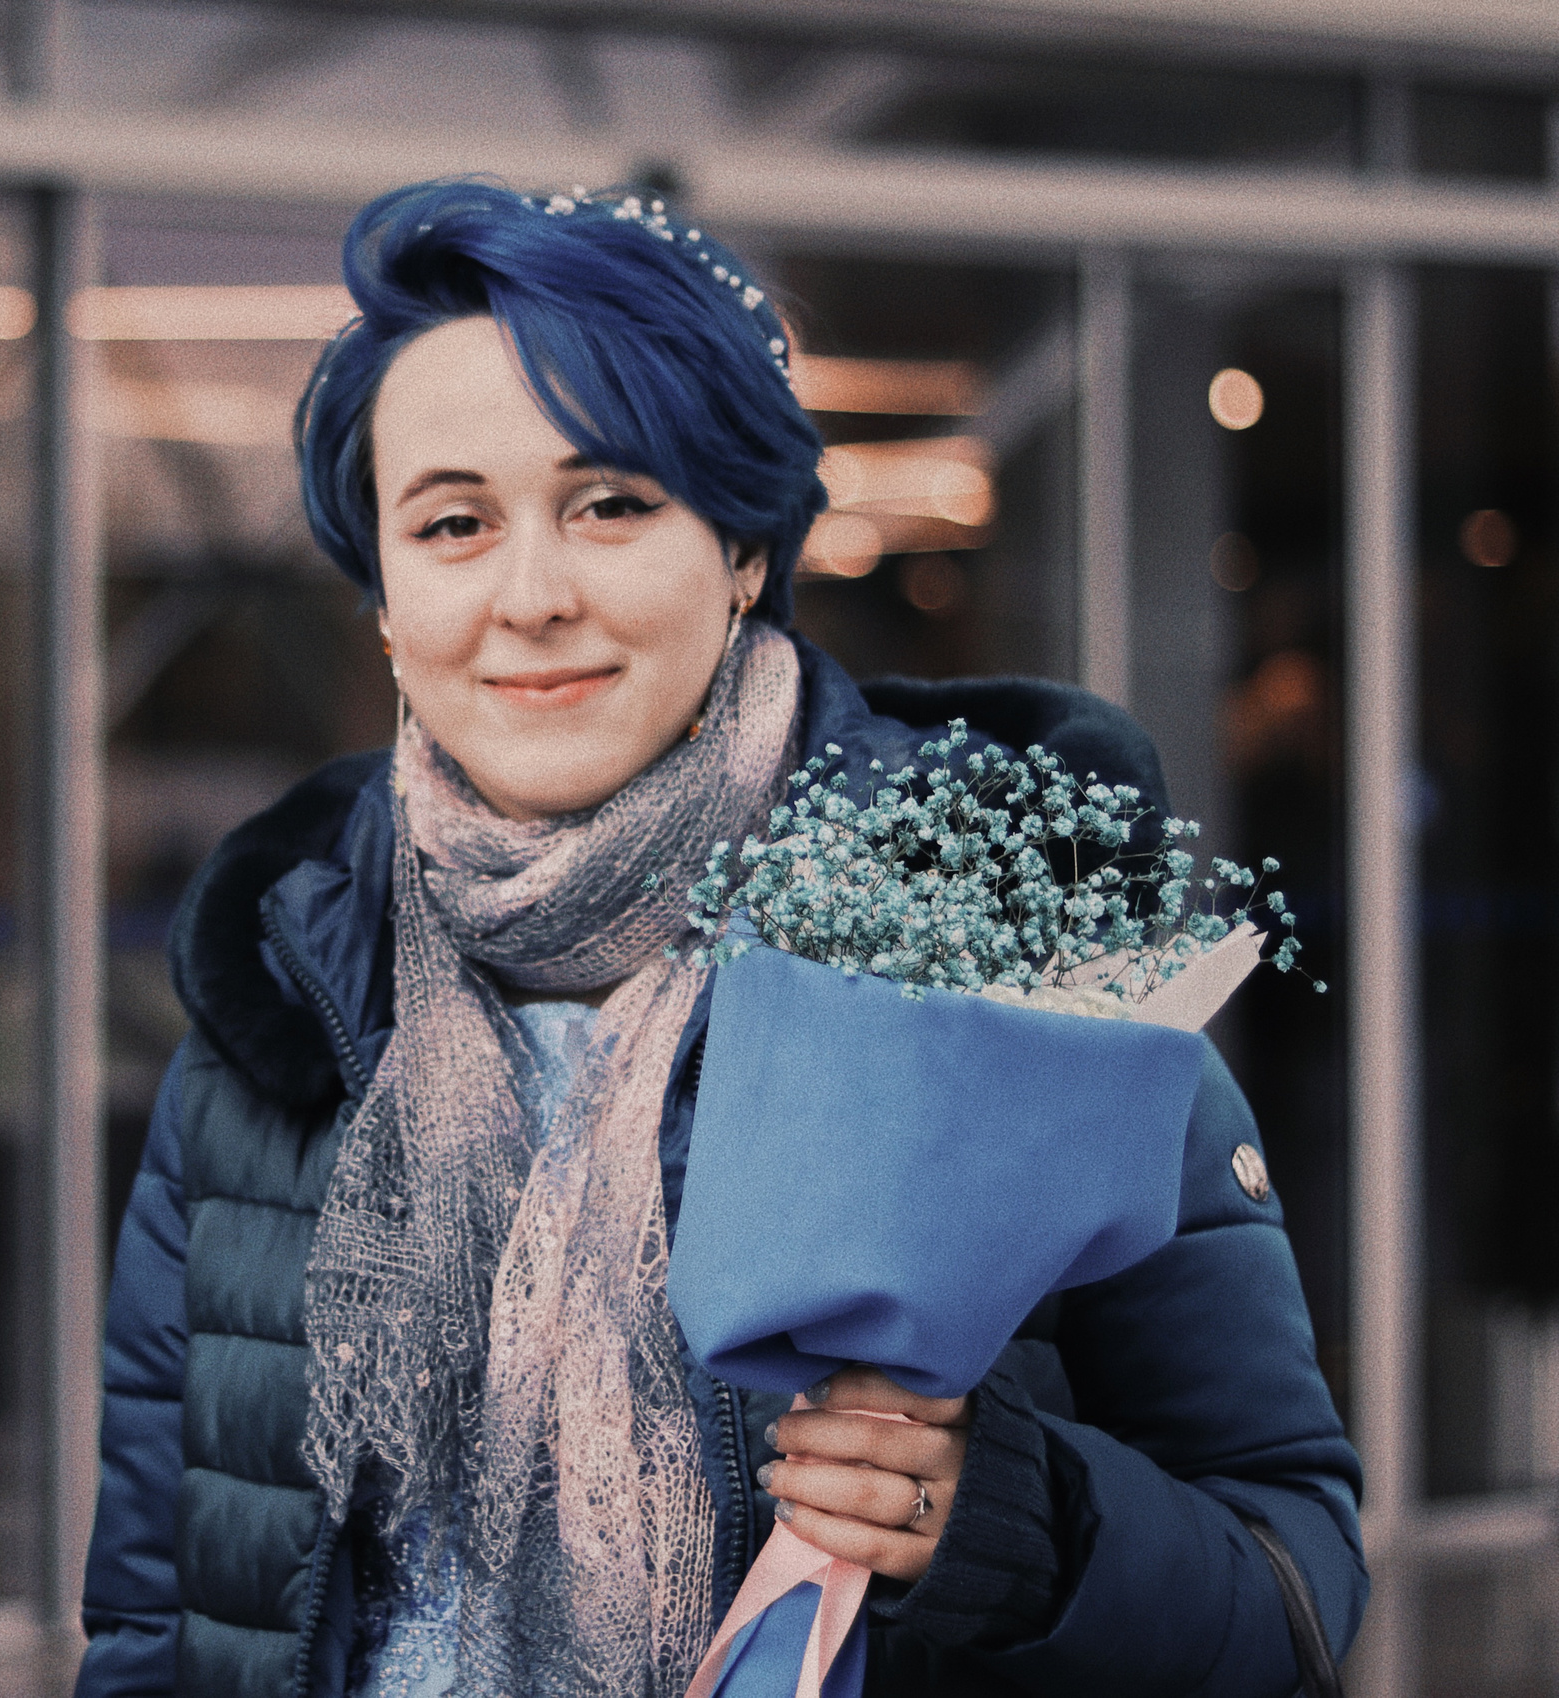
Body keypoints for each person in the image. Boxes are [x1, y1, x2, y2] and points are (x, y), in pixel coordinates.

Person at [73, 178, 1364, 1698]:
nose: (532, 594)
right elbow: (154, 1637)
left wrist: (1016, 1518)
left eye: (612, 503)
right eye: (453, 522)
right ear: (384, 595)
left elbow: (1296, 1594)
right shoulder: (276, 1025)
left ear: (746, 547)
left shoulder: (1004, 964)